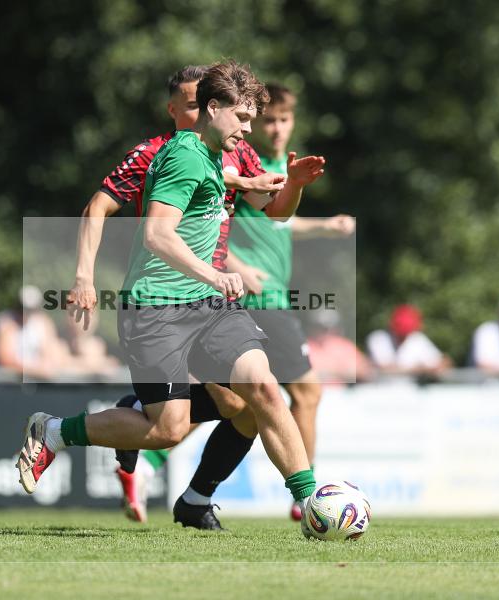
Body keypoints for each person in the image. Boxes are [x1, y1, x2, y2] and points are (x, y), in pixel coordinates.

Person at [19, 60, 319, 535]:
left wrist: (293, 185)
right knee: (169, 429)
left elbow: (270, 207)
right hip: (158, 307)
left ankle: (311, 504)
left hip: (210, 304)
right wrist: (85, 277)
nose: (250, 128)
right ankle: (54, 431)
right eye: (242, 118)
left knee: (259, 392)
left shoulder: (223, 153)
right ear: (208, 108)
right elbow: (155, 234)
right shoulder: (175, 154)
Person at [214, 82, 353, 520]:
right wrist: (234, 263)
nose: (273, 127)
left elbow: (278, 222)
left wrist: (325, 226)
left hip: (273, 296)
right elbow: (216, 222)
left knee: (238, 404)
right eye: (266, 119)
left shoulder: (278, 166)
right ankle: (308, 500)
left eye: (282, 119)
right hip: (260, 296)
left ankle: (179, 478)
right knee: (305, 392)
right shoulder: (242, 164)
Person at [0, 286, 71, 381]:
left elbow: (50, 352)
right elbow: (6, 361)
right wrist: (36, 371)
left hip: (30, 386)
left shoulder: (42, 322)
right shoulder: (5, 323)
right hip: (1, 387)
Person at [366, 304, 450, 377]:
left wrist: (437, 367)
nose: (403, 335)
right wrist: (419, 370)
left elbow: (442, 362)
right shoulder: (379, 339)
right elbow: (385, 369)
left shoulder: (417, 339)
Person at [306, 309, 373, 384]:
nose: (321, 331)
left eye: (326, 327)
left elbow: (364, 371)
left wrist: (333, 373)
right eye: (317, 326)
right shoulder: (305, 347)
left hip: (343, 393)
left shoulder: (344, 346)